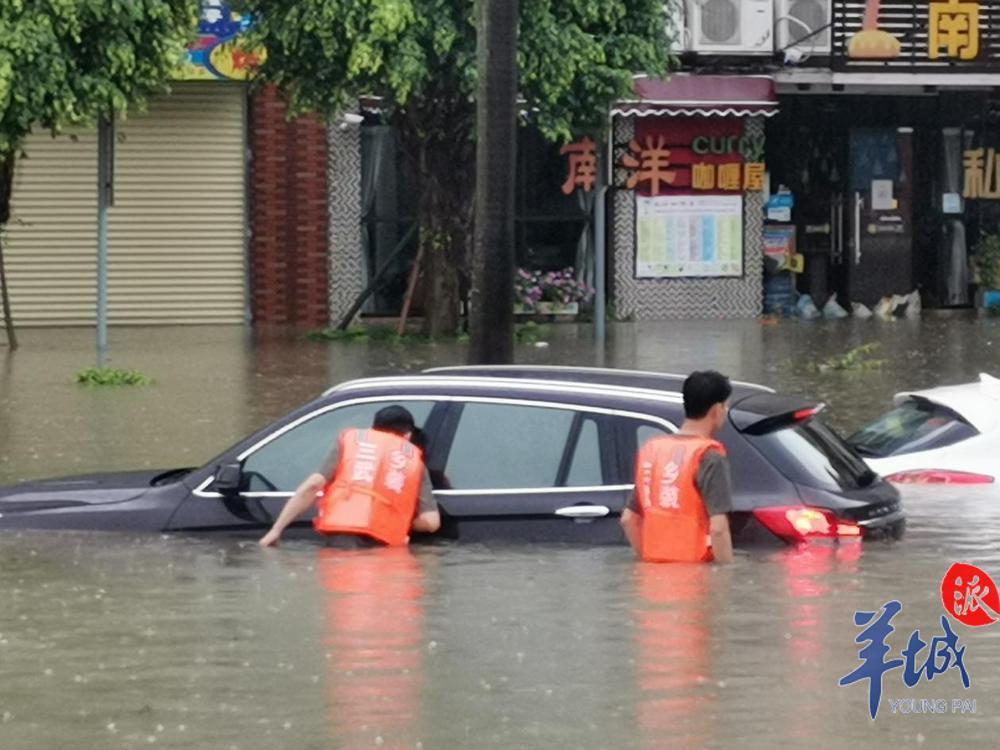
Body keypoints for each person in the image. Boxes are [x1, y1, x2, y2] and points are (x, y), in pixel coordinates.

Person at [259, 405, 441, 547]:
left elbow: (313, 486)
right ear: (408, 435)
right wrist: (395, 520)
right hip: (382, 542)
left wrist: (276, 530)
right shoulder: (413, 461)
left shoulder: (351, 444)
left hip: (341, 538)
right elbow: (431, 522)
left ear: (373, 429)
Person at [620, 370, 734, 564]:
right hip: (696, 577)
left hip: (655, 582)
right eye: (726, 406)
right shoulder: (710, 457)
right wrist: (727, 578)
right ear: (717, 409)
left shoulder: (652, 451)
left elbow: (629, 520)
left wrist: (649, 562)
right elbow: (718, 529)